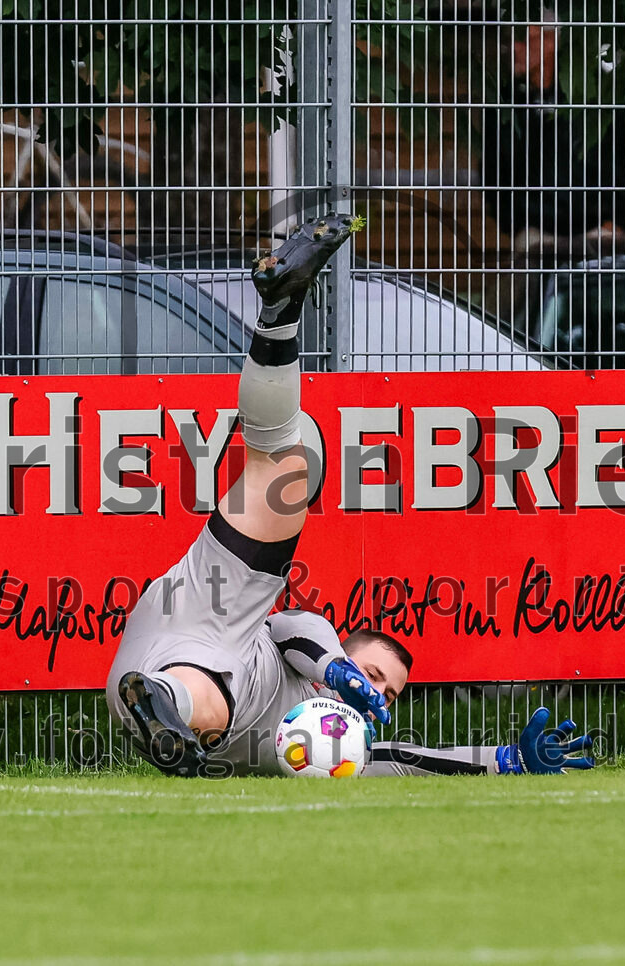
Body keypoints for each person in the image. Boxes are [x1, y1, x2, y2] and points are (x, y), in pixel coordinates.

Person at [105, 212, 595, 778]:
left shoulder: (330, 739)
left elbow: (405, 760)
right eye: (377, 673)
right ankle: (280, 310)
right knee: (286, 471)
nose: (378, 691)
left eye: (388, 690)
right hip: (221, 610)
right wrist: (338, 670)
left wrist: (507, 761)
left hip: (180, 679)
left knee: (212, 704)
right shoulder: (316, 654)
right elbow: (293, 630)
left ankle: (162, 706)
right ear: (348, 649)